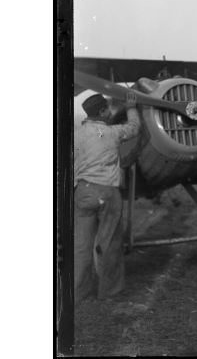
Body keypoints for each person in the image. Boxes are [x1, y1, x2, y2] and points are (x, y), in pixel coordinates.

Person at [74, 90, 141, 304]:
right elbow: (134, 128)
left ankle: (78, 293)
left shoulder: (75, 134)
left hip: (83, 191)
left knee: (82, 245)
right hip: (107, 192)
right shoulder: (111, 132)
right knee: (109, 242)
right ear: (102, 111)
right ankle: (109, 291)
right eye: (107, 109)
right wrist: (131, 108)